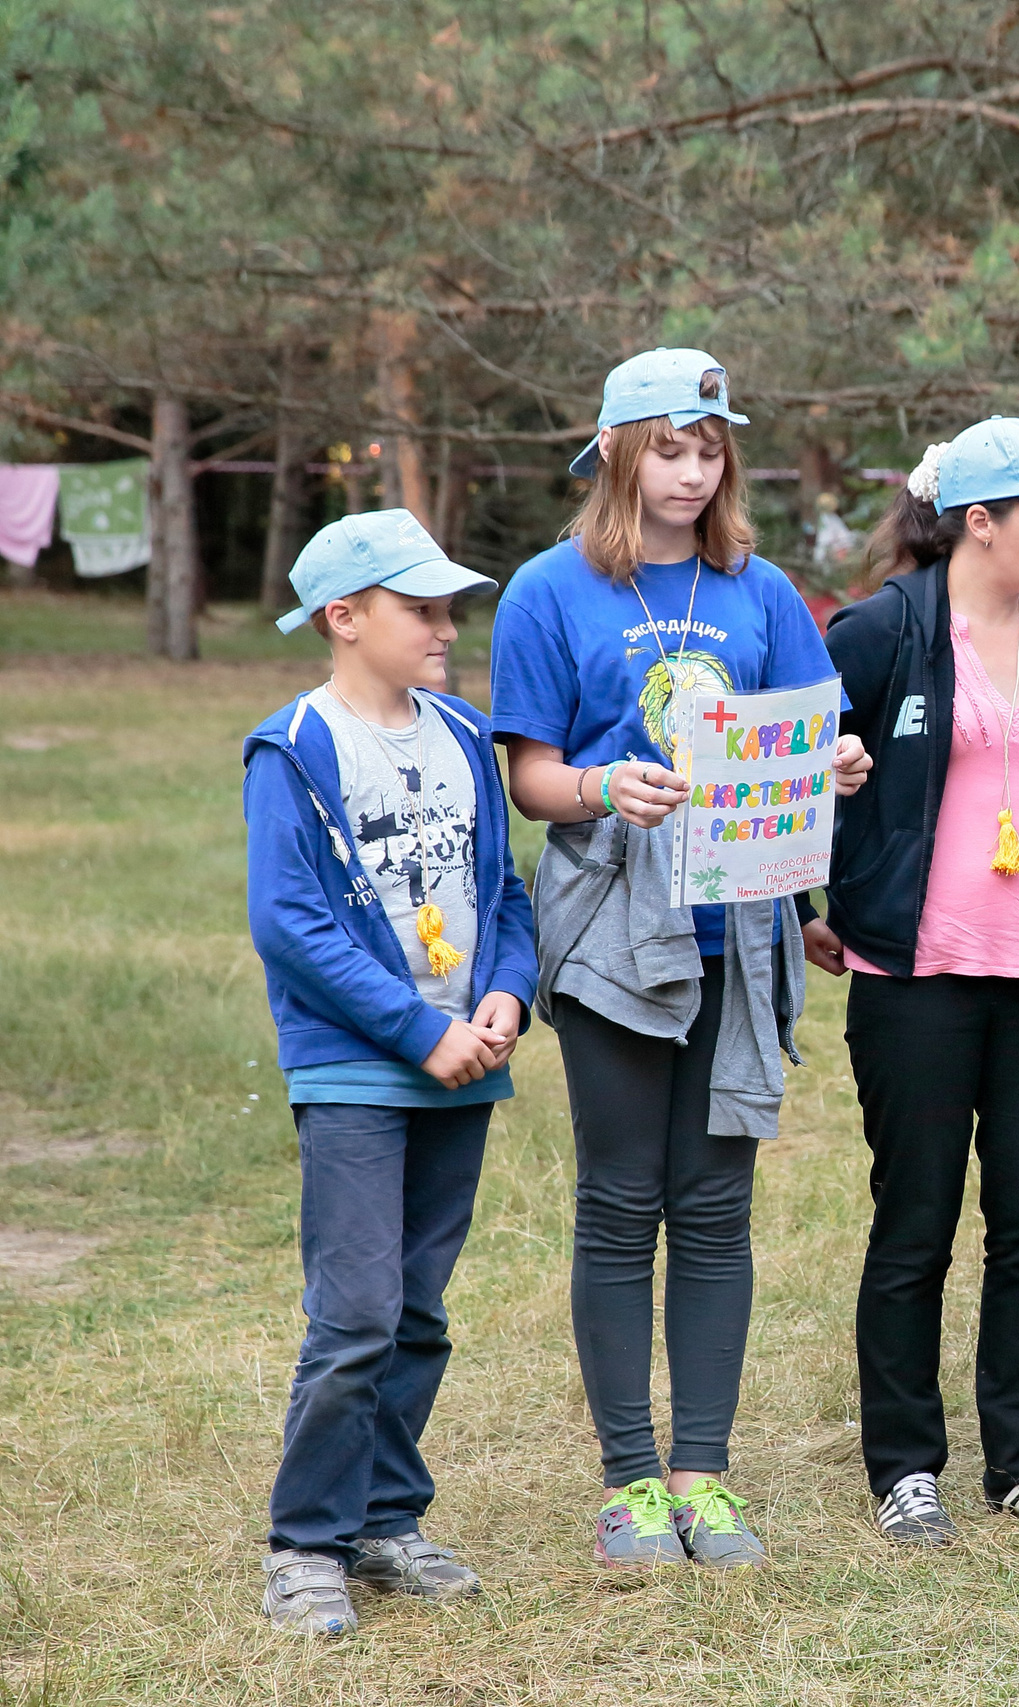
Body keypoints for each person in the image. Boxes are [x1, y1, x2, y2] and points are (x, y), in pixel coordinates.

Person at [488, 347, 871, 1566]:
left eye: (710, 449)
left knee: (714, 1208)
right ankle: (630, 1484)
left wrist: (835, 763)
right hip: (610, 928)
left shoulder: (760, 589)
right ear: (614, 452)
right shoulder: (548, 590)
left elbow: (807, 738)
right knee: (619, 1204)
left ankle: (703, 1476)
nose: (694, 471)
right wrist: (606, 785)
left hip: (737, 930)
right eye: (669, 448)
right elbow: (532, 777)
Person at [814, 418, 1019, 1544]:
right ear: (979, 522)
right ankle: (905, 1467)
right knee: (916, 1224)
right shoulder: (881, 629)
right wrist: (811, 904)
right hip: (918, 976)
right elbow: (784, 772)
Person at [244, 510, 535, 1635]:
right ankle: (305, 1543)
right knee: (356, 1312)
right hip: (358, 1070)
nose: (446, 626)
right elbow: (290, 924)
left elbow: (503, 890)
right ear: (345, 617)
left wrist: (505, 992)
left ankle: (383, 1518)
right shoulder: (293, 748)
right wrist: (417, 1030)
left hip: (466, 1061)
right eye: (420, 609)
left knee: (417, 1310)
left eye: (449, 607)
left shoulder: (463, 733)